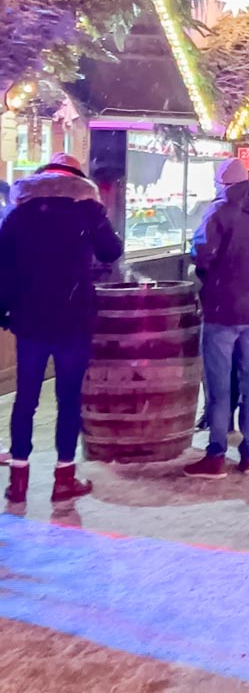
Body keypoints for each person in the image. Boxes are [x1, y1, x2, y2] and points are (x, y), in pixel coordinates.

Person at [0, 153, 123, 504]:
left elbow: (2, 263)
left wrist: (4, 310)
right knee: (68, 399)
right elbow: (111, 251)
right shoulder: (87, 210)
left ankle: (18, 481)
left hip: (31, 319)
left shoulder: (21, 212)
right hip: (73, 318)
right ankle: (63, 478)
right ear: (78, 179)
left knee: (26, 399)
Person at [186, 158, 249, 478]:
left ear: (223, 184)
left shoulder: (218, 212)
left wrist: (209, 277)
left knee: (218, 386)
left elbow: (201, 253)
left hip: (221, 310)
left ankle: (216, 454)